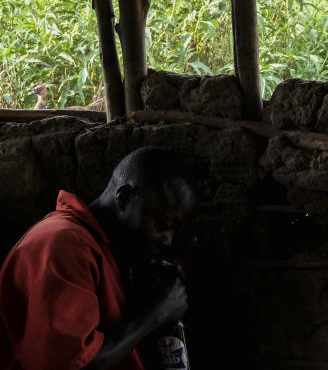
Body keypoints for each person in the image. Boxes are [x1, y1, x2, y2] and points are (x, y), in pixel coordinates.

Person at [0, 146, 196, 370]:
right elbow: (71, 364)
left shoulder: (111, 249)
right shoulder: (62, 244)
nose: (168, 241)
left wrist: (148, 292)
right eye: (164, 226)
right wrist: (156, 312)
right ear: (124, 198)